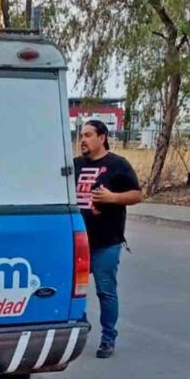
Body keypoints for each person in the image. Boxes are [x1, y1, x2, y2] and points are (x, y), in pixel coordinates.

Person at [73, 120, 144, 358]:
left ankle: (107, 338)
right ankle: (78, 328)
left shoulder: (118, 165)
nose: (82, 140)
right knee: (72, 291)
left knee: (105, 291)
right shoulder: (74, 166)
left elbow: (137, 195)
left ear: (102, 137)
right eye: (81, 135)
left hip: (106, 243)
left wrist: (112, 198)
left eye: (88, 135)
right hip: (77, 244)